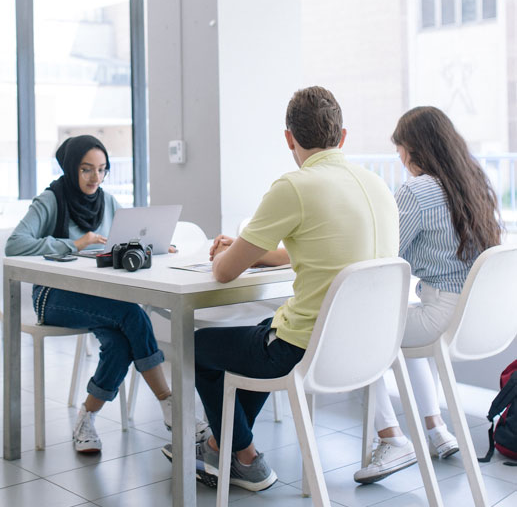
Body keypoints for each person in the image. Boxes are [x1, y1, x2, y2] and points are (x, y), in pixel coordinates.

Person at [162, 86, 400, 491]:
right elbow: (313, 250)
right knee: (264, 329)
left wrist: (229, 253)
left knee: (196, 348)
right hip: (368, 347)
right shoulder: (377, 185)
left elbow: (222, 274)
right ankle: (227, 448)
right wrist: (255, 254)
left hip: (303, 350)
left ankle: (246, 456)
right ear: (342, 137)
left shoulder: (295, 186)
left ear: (288, 138)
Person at [5, 135, 208, 454]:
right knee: (132, 314)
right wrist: (74, 244)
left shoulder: (108, 201)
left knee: (118, 344)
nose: (94, 178)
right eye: (86, 169)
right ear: (71, 168)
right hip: (52, 297)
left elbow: (123, 241)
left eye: (101, 170)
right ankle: (170, 405)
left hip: (96, 296)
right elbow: (14, 244)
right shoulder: (51, 200)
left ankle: (86, 416)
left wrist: (152, 246)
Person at [354, 106, 502, 484]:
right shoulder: (473, 182)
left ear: (412, 149)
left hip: (442, 315)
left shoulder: (416, 190)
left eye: (400, 149)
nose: (399, 158)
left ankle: (392, 438)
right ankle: (437, 430)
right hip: (476, 316)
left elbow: (387, 253)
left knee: (357, 332)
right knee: (401, 320)